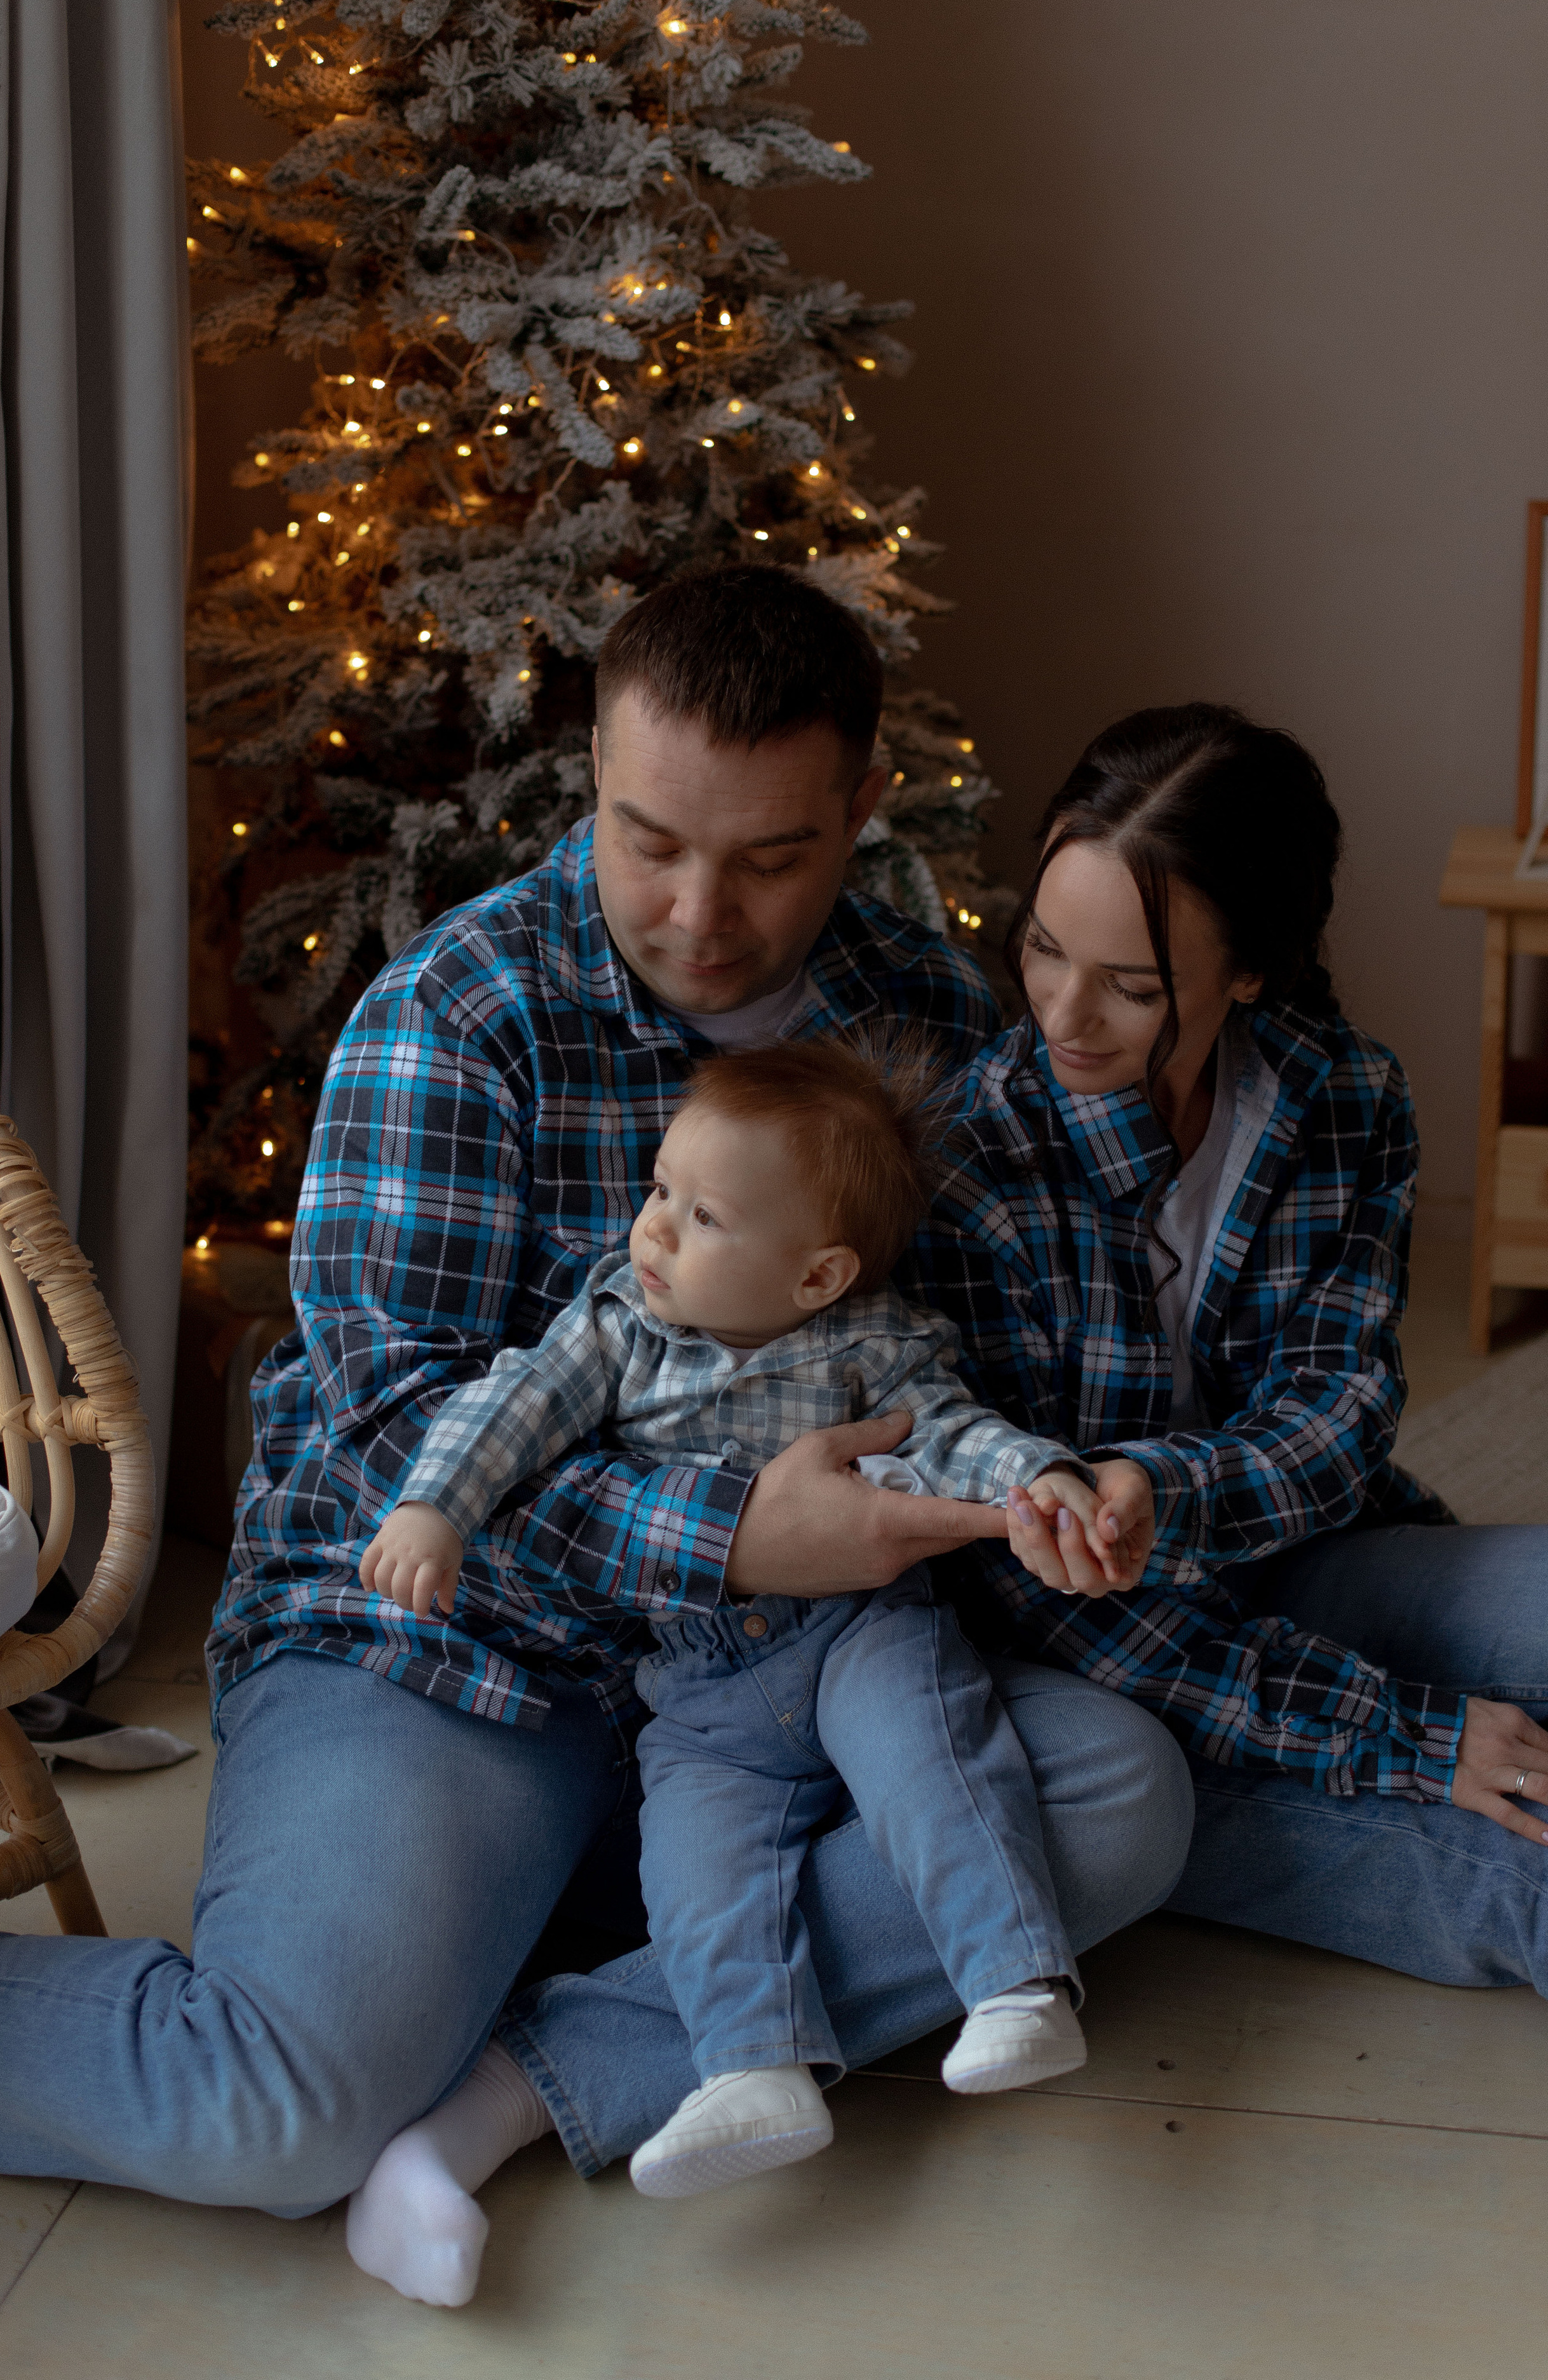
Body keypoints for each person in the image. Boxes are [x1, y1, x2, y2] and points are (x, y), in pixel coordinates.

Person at [0, 571, 1192, 2242]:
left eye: (772, 856)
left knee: (1120, 1798)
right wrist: (738, 1537)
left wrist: (1036, 1492)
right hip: (457, 1651)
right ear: (590, 771)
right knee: (277, 2111)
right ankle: (446, 1998)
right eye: (650, 837)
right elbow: (396, 1427)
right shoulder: (459, 1020)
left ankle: (513, 2088)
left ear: (864, 810)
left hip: (766, 1689)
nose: (699, 913)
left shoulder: (936, 1029)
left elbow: (969, 1383)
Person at [475, 704, 1548, 2217]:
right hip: (1109, 1661)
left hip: (1291, 1554)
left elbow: (1333, 1423)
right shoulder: (972, 1157)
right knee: (1507, 1869)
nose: (1058, 1015)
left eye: (1129, 985)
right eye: (1038, 950)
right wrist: (1394, 1734)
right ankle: (589, 2069)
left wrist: (1162, 1493)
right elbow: (1047, 1596)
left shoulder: (1337, 1094)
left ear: (1250, 974)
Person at [347, 1039, 1150, 2286]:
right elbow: (504, 1412)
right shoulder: (616, 1328)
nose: (654, 1228)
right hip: (705, 1683)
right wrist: (434, 1509)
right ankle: (752, 2065)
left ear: (817, 1273)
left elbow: (953, 1437)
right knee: (701, 1864)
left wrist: (1040, 1476)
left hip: (859, 1632)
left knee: (927, 1763)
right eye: (659, 1190)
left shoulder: (872, 1346)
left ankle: (1011, 1982)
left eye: (701, 1214)